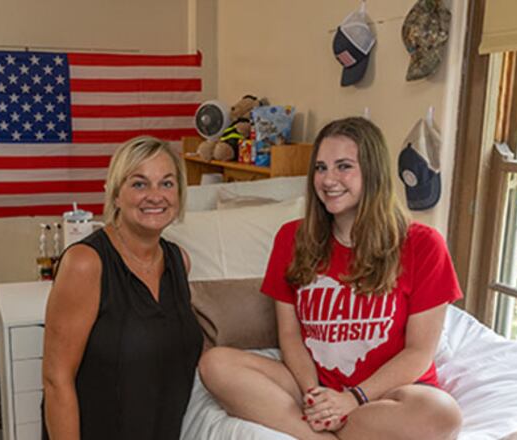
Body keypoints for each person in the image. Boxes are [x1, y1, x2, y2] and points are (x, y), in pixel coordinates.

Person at [198, 117, 463, 440]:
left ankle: (335, 426)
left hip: (388, 392)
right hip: (315, 386)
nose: (328, 179)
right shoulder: (291, 238)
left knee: (443, 415)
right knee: (215, 364)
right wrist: (316, 397)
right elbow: (290, 336)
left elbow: (419, 352)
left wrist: (352, 400)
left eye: (344, 166)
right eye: (321, 168)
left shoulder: (423, 244)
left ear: (373, 172)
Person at [42, 136, 203, 439]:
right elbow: (56, 380)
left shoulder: (179, 262)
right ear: (116, 195)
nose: (155, 196)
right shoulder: (86, 263)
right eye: (139, 184)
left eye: (167, 183)